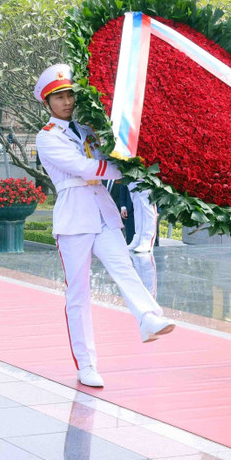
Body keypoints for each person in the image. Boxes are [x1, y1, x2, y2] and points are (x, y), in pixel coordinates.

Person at [33, 63, 174, 389]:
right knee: (78, 293)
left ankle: (148, 318)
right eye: (59, 97)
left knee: (124, 268)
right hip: (74, 217)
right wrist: (127, 169)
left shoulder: (88, 129)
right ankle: (86, 364)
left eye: (69, 95)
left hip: (102, 211)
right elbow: (84, 167)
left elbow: (109, 154)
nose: (67, 102)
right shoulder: (46, 137)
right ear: (48, 102)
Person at [127, 180, 159, 253]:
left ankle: (147, 239)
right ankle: (138, 238)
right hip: (133, 178)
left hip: (146, 177)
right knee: (137, 206)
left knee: (147, 204)